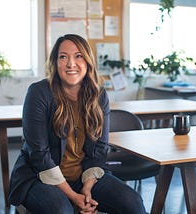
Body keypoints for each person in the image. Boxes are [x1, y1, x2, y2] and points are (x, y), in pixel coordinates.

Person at [8, 34, 147, 214]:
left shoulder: (99, 95)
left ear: (88, 61)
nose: (71, 64)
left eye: (78, 56)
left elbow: (100, 149)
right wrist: (74, 197)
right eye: (63, 57)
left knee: (133, 202)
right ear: (55, 62)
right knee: (62, 210)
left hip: (85, 176)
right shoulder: (39, 93)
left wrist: (87, 189)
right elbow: (39, 155)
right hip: (38, 177)